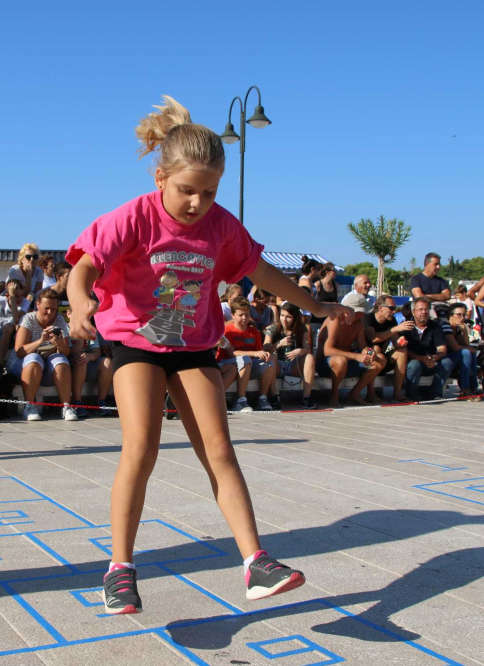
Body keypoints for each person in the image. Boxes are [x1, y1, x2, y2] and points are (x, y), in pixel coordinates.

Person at [65, 96, 348, 614]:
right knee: (141, 448)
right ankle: (120, 569)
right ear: (159, 178)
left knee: (219, 449)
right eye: (186, 191)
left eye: (209, 192)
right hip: (136, 344)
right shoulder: (133, 217)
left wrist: (316, 303)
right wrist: (81, 301)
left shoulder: (221, 225)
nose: (197, 203)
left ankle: (256, 562)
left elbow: (261, 273)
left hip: (194, 346)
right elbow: (84, 265)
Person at [9, 289, 77, 421]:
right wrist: (41, 341)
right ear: (38, 304)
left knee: (61, 360)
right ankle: (29, 406)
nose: (50, 312)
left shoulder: (59, 320)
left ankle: (66, 406)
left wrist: (59, 344)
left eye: (53, 308)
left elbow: (66, 352)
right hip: (24, 365)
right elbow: (19, 351)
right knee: (34, 358)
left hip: (46, 367)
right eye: (46, 308)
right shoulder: (28, 319)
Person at [319, 303, 386, 406]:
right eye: (360, 313)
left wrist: (369, 352)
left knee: (380, 358)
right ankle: (334, 395)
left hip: (348, 362)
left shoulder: (358, 322)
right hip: (326, 364)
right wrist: (356, 356)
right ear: (348, 311)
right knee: (340, 360)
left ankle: (354, 393)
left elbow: (362, 346)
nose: (363, 315)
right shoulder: (335, 320)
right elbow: (327, 351)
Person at [218, 296, 276, 412]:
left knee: (269, 365)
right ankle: (240, 400)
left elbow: (259, 352)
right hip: (227, 363)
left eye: (247, 315)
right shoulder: (227, 330)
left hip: (246, 365)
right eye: (241, 315)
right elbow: (232, 353)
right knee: (245, 359)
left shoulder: (254, 331)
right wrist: (254, 353)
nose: (244, 318)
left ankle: (263, 398)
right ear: (233, 315)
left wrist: (264, 355)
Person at [398, 297, 454, 400]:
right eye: (420, 309)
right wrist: (421, 358)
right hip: (412, 362)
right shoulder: (406, 326)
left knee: (447, 362)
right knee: (414, 365)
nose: (424, 312)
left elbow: (442, 349)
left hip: (430, 361)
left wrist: (434, 358)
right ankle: (412, 394)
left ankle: (434, 393)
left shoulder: (436, 327)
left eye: (426, 309)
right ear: (413, 312)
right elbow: (403, 350)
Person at [264, 303, 317, 409]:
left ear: (294, 317)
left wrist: (300, 351)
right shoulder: (273, 328)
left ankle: (306, 397)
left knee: (310, 357)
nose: (284, 319)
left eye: (288, 317)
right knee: (272, 357)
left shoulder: (301, 329)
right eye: (282, 315)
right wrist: (279, 344)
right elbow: (265, 348)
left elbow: (307, 349)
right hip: (277, 365)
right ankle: (273, 396)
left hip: (294, 364)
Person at [364, 295, 414, 401]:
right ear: (380, 308)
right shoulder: (368, 318)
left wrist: (401, 342)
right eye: (391, 308)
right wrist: (395, 329)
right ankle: (370, 393)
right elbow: (373, 338)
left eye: (395, 308)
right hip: (366, 359)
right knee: (375, 348)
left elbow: (395, 343)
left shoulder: (391, 321)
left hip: (382, 359)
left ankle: (397, 393)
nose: (394, 311)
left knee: (402, 351)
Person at [0, 275, 29, 353]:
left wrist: (13, 298)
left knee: (12, 327)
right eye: (16, 296)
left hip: (14, 334)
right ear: (8, 296)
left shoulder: (24, 302)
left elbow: (16, 319)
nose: (20, 299)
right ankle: (0, 361)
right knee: (8, 328)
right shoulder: (0, 300)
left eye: (22, 295)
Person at [444, 302, 480, 400]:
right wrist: (469, 349)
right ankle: (465, 389)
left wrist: (464, 331)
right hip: (443, 358)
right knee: (466, 352)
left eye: (464, 315)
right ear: (451, 316)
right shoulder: (445, 326)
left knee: (470, 353)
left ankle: (473, 387)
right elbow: (455, 347)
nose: (462, 317)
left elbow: (465, 345)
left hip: (454, 357)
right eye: (459, 315)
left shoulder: (457, 328)